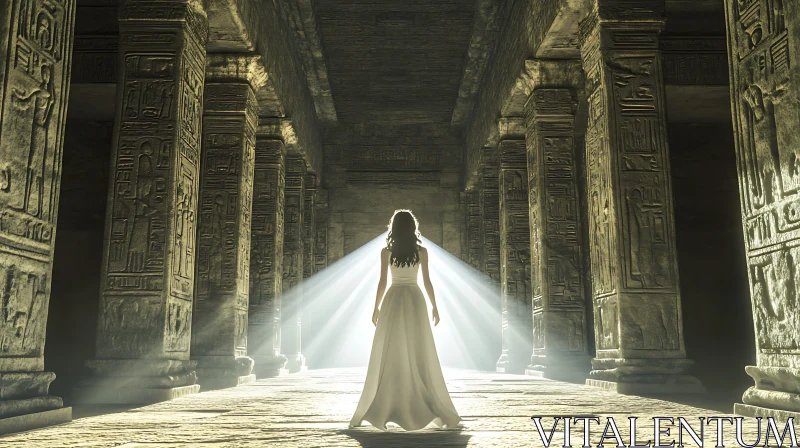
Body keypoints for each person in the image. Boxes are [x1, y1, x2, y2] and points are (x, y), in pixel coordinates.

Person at [349, 209, 461, 431]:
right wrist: (434, 305)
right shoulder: (422, 251)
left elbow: (382, 281)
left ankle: (390, 403)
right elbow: (427, 281)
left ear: (394, 228)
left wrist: (376, 306)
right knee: (417, 346)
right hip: (415, 299)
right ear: (412, 228)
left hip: (394, 298)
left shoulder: (386, 252)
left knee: (393, 349)